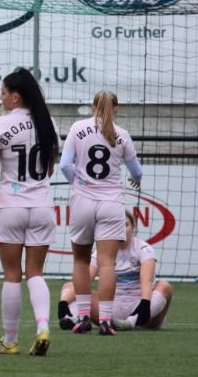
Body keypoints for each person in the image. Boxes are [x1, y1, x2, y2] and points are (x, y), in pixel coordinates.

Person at [0, 69, 59, 357]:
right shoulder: (47, 122)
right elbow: (50, 166)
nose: (0, 97)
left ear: (15, 97)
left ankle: (10, 340)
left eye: (2, 92)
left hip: (11, 206)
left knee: (12, 274)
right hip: (42, 206)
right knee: (35, 272)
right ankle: (42, 327)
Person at [59, 90, 142, 336]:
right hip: (111, 202)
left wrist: (78, 182)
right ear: (117, 108)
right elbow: (137, 171)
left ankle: (83, 318)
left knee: (81, 261)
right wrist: (134, 180)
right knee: (107, 263)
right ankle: (105, 321)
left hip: (83, 199)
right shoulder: (123, 135)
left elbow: (64, 165)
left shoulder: (77, 128)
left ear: (92, 106)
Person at [56, 210, 173, 330]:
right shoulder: (101, 252)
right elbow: (86, 279)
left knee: (165, 286)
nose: (121, 229)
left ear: (133, 227)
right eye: (117, 226)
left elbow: (147, 281)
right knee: (70, 287)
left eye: (126, 225)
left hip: (143, 311)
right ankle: (74, 319)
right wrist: (63, 302)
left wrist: (145, 303)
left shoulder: (144, 249)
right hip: (110, 309)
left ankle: (131, 322)